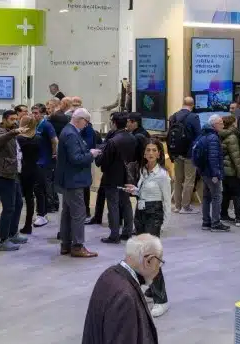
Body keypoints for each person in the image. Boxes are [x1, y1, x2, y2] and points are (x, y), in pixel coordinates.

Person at [81, 234, 162, 344]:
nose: (158, 270)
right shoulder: (125, 297)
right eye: (159, 264)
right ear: (149, 261)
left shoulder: (109, 274)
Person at [124, 140, 171, 318]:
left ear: (159, 154)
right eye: (148, 150)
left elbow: (167, 201)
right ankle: (152, 289)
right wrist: (136, 190)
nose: (150, 153)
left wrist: (164, 223)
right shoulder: (144, 171)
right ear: (144, 154)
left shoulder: (162, 175)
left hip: (154, 214)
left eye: (154, 150)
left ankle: (162, 300)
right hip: (141, 213)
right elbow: (145, 192)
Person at [57, 108, 102, 257]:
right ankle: (77, 246)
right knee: (78, 214)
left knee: (68, 213)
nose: (87, 125)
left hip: (70, 179)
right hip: (74, 180)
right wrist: (91, 154)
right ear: (81, 120)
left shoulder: (69, 131)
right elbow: (76, 159)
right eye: (87, 122)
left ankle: (66, 244)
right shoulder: (71, 134)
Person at [0, 110, 27, 252]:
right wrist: (15, 132)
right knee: (8, 208)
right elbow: (0, 140)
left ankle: (13, 233)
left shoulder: (10, 131)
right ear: (4, 119)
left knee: (18, 203)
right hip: (3, 174)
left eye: (16, 119)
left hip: (13, 174)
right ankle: (3, 240)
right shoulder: (0, 131)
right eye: (12, 119)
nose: (15, 121)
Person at [100, 113, 137, 244]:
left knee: (113, 206)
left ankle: (114, 234)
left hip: (112, 176)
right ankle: (127, 231)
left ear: (114, 123)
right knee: (126, 203)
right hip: (127, 176)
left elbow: (104, 160)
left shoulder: (112, 141)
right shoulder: (132, 138)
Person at [194, 114, 229, 232]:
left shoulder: (203, 134)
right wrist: (216, 174)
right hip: (211, 173)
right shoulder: (213, 137)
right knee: (217, 196)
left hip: (204, 172)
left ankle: (206, 222)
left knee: (206, 197)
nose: (223, 125)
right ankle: (216, 223)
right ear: (214, 124)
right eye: (221, 123)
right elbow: (213, 158)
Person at [168, 97, 201, 214]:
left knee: (177, 180)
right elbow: (198, 135)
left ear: (183, 103)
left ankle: (177, 206)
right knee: (189, 180)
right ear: (193, 105)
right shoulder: (194, 117)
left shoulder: (173, 116)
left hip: (176, 153)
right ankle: (185, 207)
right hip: (189, 153)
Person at [219, 115, 240, 227]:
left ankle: (223, 215)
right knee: (237, 194)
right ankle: (239, 218)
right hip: (232, 170)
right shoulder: (233, 137)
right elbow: (236, 156)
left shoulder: (224, 134)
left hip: (225, 169)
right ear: (232, 123)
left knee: (227, 193)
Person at [32, 102, 58, 220]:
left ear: (42, 114)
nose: (34, 115)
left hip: (46, 161)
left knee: (45, 186)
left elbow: (55, 140)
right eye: (32, 113)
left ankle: (48, 208)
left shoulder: (47, 125)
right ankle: (43, 209)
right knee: (39, 187)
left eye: (36, 113)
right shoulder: (34, 125)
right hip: (37, 160)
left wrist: (54, 153)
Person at [16, 117, 41, 235]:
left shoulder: (18, 138)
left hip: (20, 170)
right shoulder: (38, 138)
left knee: (16, 199)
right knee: (30, 197)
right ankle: (28, 224)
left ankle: (13, 225)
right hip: (33, 169)